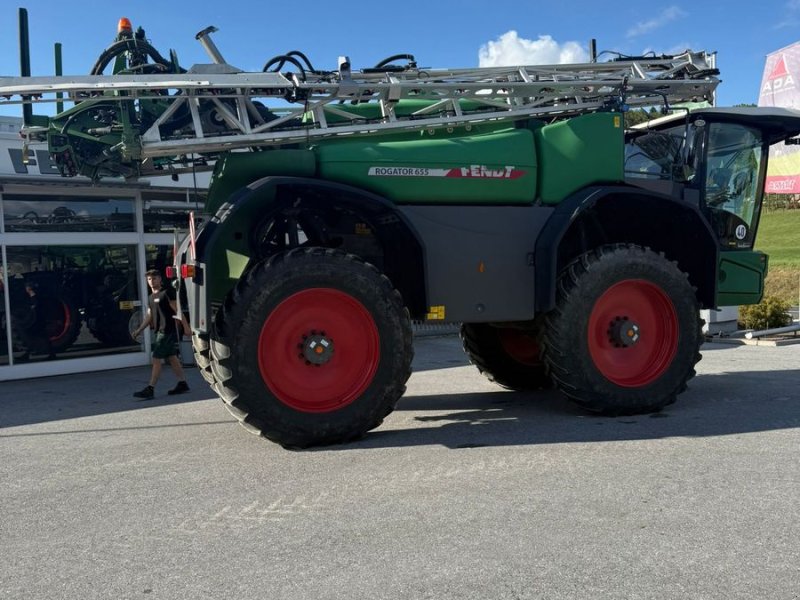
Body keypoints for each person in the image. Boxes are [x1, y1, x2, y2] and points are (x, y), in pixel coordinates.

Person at [131, 269, 190, 399]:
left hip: (168, 331)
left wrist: (186, 327)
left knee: (156, 358)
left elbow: (178, 311)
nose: (152, 281)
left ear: (160, 279)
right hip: (159, 332)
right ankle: (182, 383)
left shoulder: (167, 293)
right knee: (172, 357)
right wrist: (139, 330)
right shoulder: (150, 297)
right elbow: (149, 316)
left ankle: (150, 388)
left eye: (154, 278)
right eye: (149, 279)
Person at [18, 280, 55, 362]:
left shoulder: (34, 297)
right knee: (41, 337)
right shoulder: (35, 297)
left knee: (33, 337)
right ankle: (50, 353)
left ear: (29, 288)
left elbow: (37, 308)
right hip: (38, 321)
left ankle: (28, 354)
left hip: (38, 321)